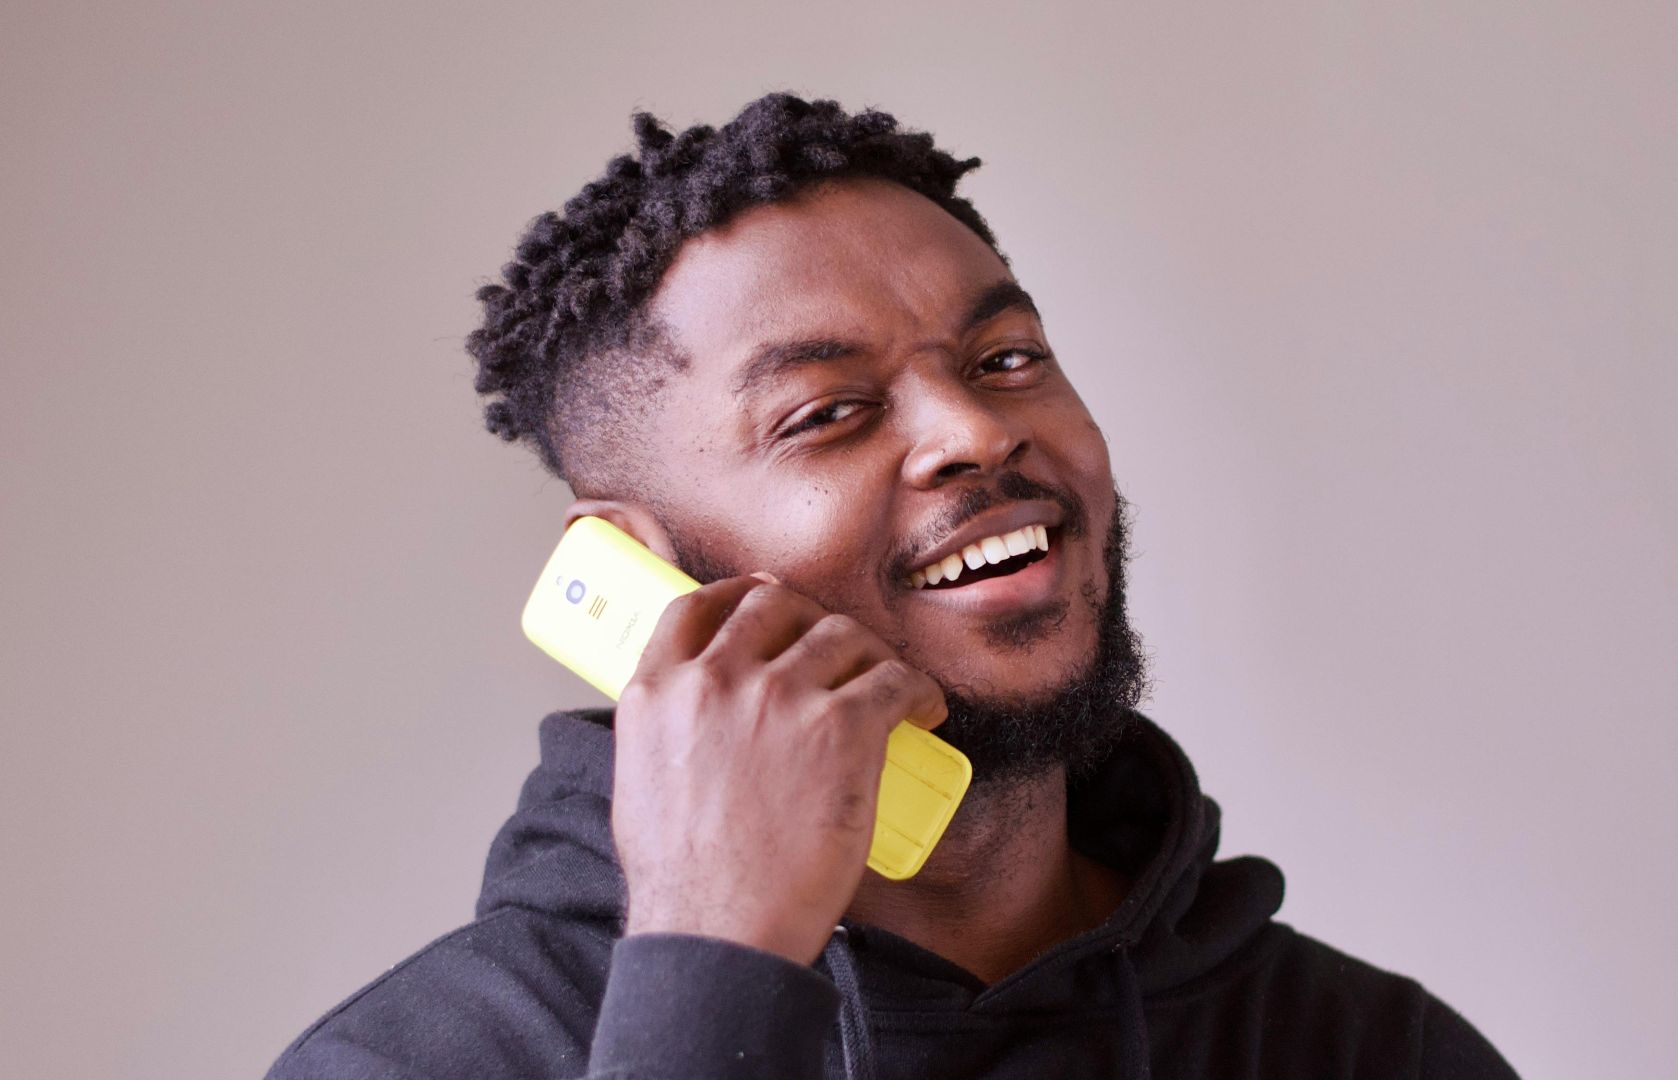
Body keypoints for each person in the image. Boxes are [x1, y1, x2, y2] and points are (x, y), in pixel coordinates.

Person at [265, 92, 1521, 1080]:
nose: (975, 430)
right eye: (828, 412)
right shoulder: (420, 1061)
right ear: (640, 567)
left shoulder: (1368, 1050)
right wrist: (714, 970)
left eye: (1007, 357)